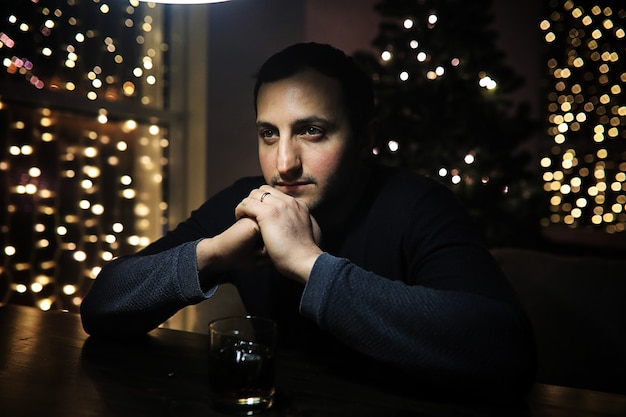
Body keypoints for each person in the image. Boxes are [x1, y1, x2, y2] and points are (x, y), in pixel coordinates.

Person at [80, 42, 536, 401]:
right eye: (268, 134)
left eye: (311, 131)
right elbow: (101, 307)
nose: (283, 164)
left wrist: (309, 264)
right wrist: (212, 253)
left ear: (365, 139)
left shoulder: (419, 205)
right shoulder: (249, 204)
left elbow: (504, 351)